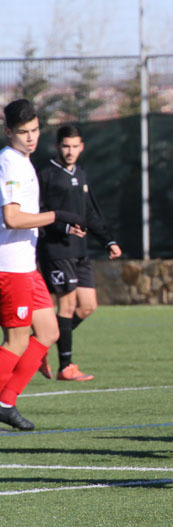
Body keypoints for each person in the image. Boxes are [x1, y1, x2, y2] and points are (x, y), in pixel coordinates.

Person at [0, 99, 85, 431]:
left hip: (26, 266)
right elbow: (12, 218)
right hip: (11, 267)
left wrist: (57, 223)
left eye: (35, 130)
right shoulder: (10, 163)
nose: (31, 137)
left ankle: (6, 402)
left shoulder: (23, 161)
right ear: (9, 132)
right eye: (23, 132)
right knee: (17, 340)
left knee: (49, 331)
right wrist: (56, 216)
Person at [37, 124, 122, 382]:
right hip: (57, 250)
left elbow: (89, 213)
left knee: (87, 306)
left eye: (75, 146)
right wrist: (64, 227)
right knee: (67, 304)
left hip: (80, 252)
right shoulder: (46, 175)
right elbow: (37, 213)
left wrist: (108, 241)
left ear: (82, 147)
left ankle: (39, 344)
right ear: (57, 146)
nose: (70, 151)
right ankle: (66, 367)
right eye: (66, 146)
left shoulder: (80, 174)